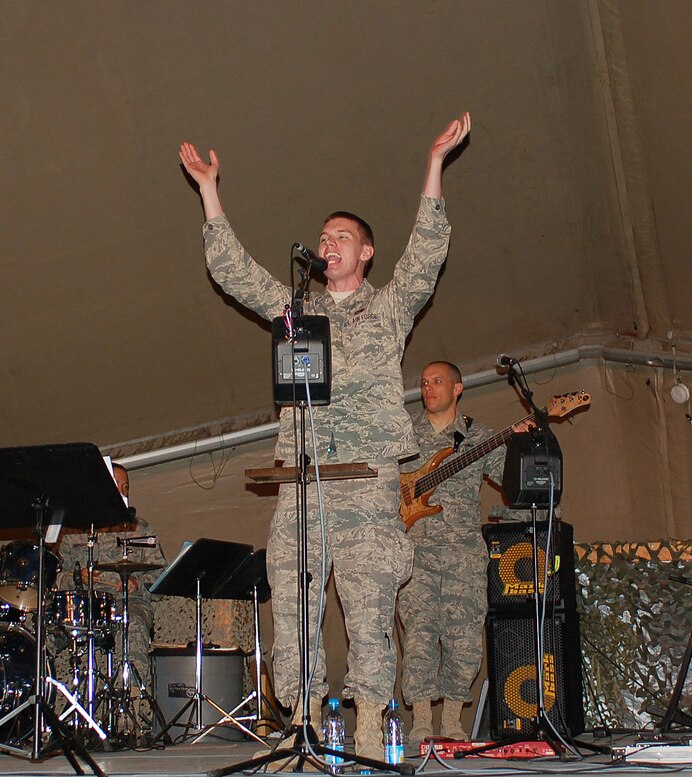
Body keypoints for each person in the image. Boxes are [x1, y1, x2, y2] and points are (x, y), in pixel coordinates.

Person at [178, 113, 471, 757]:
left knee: (369, 618)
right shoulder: (296, 312)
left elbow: (427, 254)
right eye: (323, 236)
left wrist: (434, 166)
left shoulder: (389, 308)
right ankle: (305, 731)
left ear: (366, 252)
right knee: (295, 615)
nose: (328, 242)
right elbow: (235, 272)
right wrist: (209, 191)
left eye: (342, 236)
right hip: (302, 485)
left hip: (367, 487)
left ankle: (367, 736)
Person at [398, 361, 526, 745]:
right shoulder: (403, 435)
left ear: (457, 388)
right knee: (418, 636)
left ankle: (452, 720)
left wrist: (519, 445)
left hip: (463, 554)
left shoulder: (480, 435)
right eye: (423, 383)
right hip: (415, 552)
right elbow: (381, 484)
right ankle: (421, 720)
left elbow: (511, 483)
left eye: (437, 381)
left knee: (464, 637)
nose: (428, 388)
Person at [54, 461, 164, 730]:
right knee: (42, 630)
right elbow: (56, 578)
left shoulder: (141, 529)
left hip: (129, 602)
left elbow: (161, 579)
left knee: (132, 625)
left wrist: (138, 583)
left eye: (126, 487)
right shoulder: (74, 531)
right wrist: (76, 578)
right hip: (83, 604)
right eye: (117, 486)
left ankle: (133, 713)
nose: (122, 492)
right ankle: (34, 710)